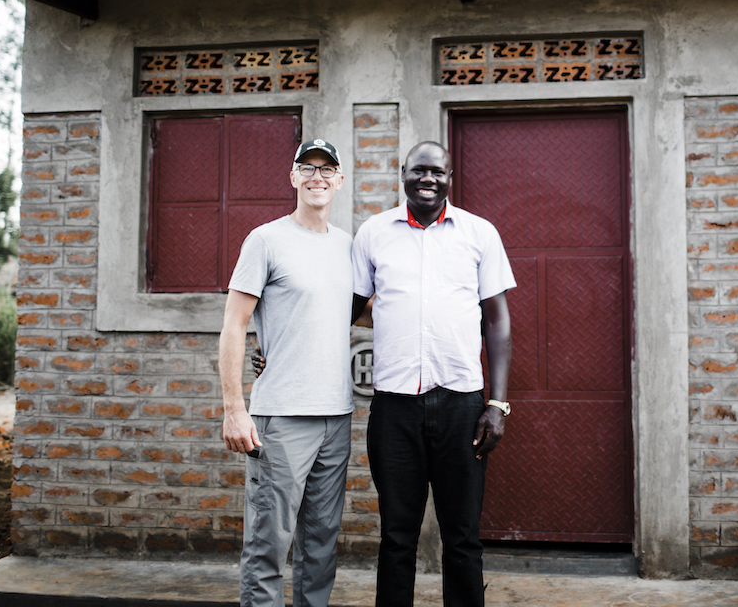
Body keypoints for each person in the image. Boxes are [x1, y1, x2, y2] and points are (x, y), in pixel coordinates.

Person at [350, 140, 516, 607]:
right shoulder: (374, 233)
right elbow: (346, 309)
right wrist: (276, 346)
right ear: (402, 174)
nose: (428, 179)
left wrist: (497, 405)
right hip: (394, 408)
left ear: (449, 178)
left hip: (462, 405)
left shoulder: (478, 233)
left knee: (462, 538)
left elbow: (498, 320)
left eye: (438, 172)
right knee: (396, 537)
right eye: (419, 171)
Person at [219, 138, 354, 607]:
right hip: (281, 418)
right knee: (268, 545)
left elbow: (365, 311)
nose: (317, 176)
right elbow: (234, 325)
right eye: (307, 167)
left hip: (337, 417)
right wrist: (235, 409)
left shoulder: (348, 247)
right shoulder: (266, 239)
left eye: (327, 169)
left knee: (321, 546)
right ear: (293, 177)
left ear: (339, 179)